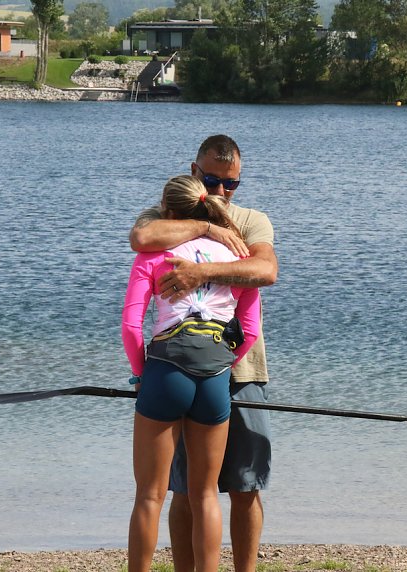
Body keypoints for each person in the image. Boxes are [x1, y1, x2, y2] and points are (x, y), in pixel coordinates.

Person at [130, 134, 277, 572]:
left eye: (231, 184)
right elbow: (142, 236)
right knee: (183, 489)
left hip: (242, 369)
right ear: (195, 172)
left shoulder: (252, 221)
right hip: (180, 368)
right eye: (212, 180)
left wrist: (201, 271)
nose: (221, 192)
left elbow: (265, 270)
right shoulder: (165, 212)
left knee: (245, 486)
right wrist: (207, 226)